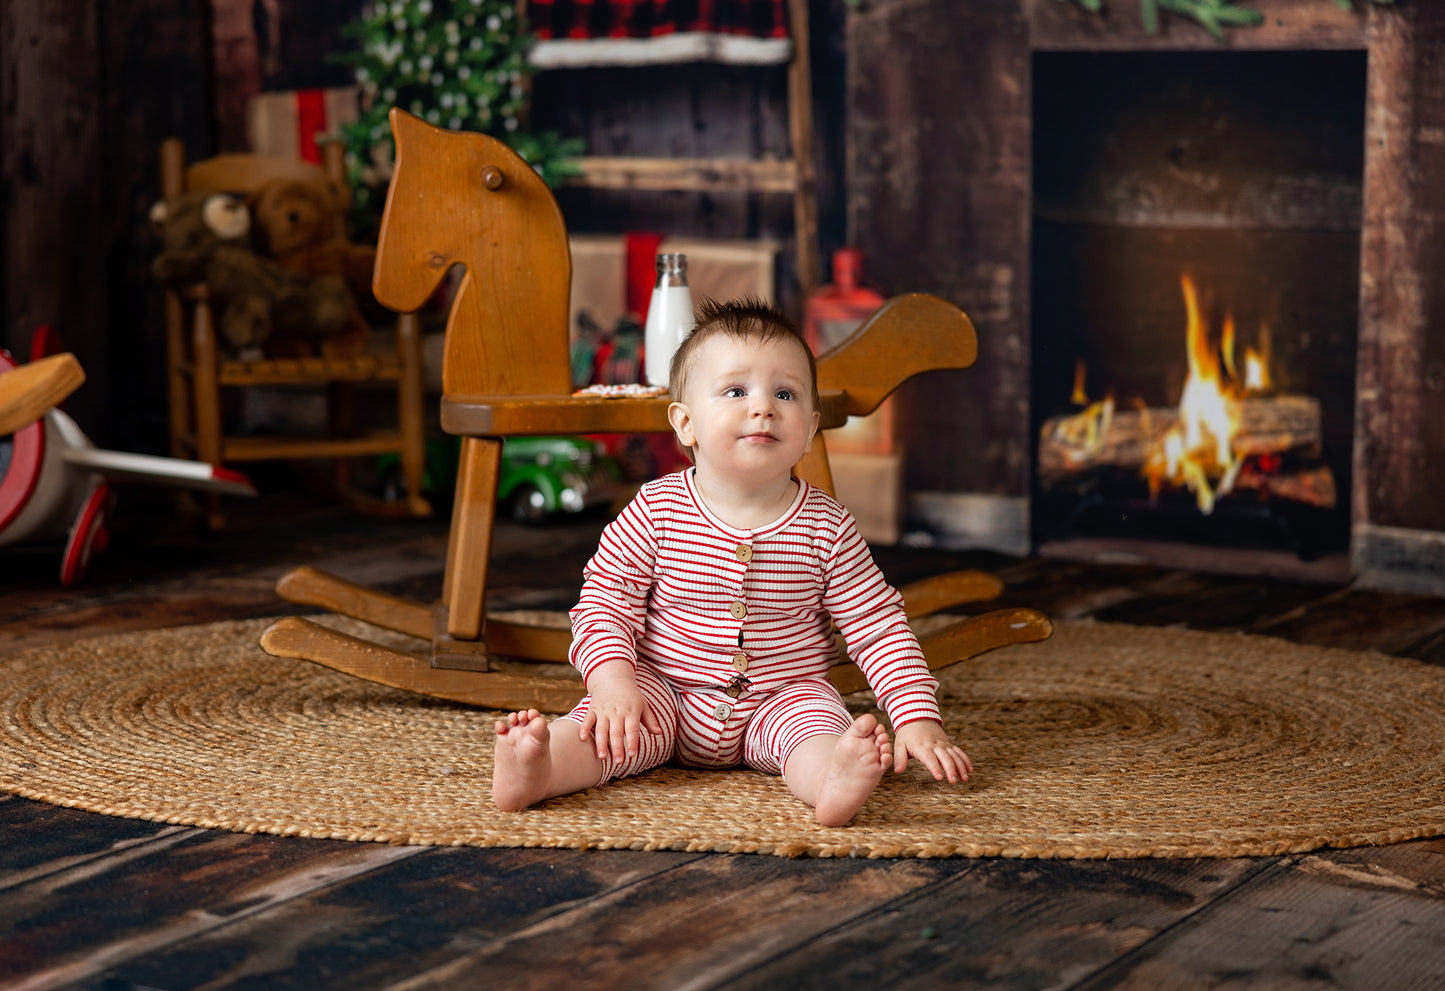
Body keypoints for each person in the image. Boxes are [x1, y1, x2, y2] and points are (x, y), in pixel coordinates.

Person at [492, 298, 972, 825]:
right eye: (736, 391)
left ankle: (832, 778)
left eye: (784, 393)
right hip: (664, 690)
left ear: (810, 427)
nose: (762, 407)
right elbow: (604, 603)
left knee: (814, 727)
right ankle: (539, 765)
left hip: (780, 695)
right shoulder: (656, 510)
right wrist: (612, 682)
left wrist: (915, 718)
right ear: (686, 423)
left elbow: (877, 625)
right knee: (605, 731)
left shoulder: (826, 525)